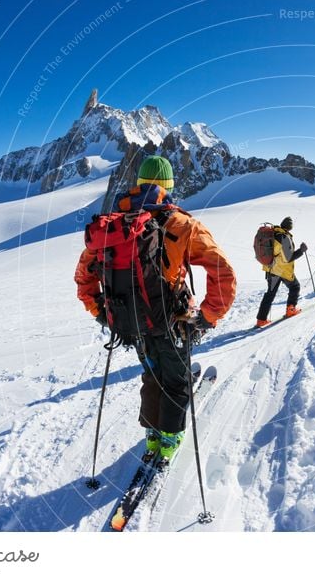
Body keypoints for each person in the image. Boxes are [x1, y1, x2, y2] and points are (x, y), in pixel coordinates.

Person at [75, 156, 236, 462]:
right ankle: (169, 439)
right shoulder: (181, 224)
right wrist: (207, 316)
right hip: (172, 321)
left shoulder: (112, 227)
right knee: (176, 379)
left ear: (138, 185)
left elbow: (84, 276)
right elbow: (223, 271)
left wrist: (102, 313)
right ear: (169, 186)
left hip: (131, 323)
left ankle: (151, 434)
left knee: (151, 374)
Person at [255, 216, 307, 327]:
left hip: (271, 269)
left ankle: (261, 320)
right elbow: (288, 258)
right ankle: (290, 309)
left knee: (270, 293)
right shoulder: (284, 236)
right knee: (295, 287)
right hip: (282, 270)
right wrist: (301, 251)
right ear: (290, 227)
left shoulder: (274, 233)